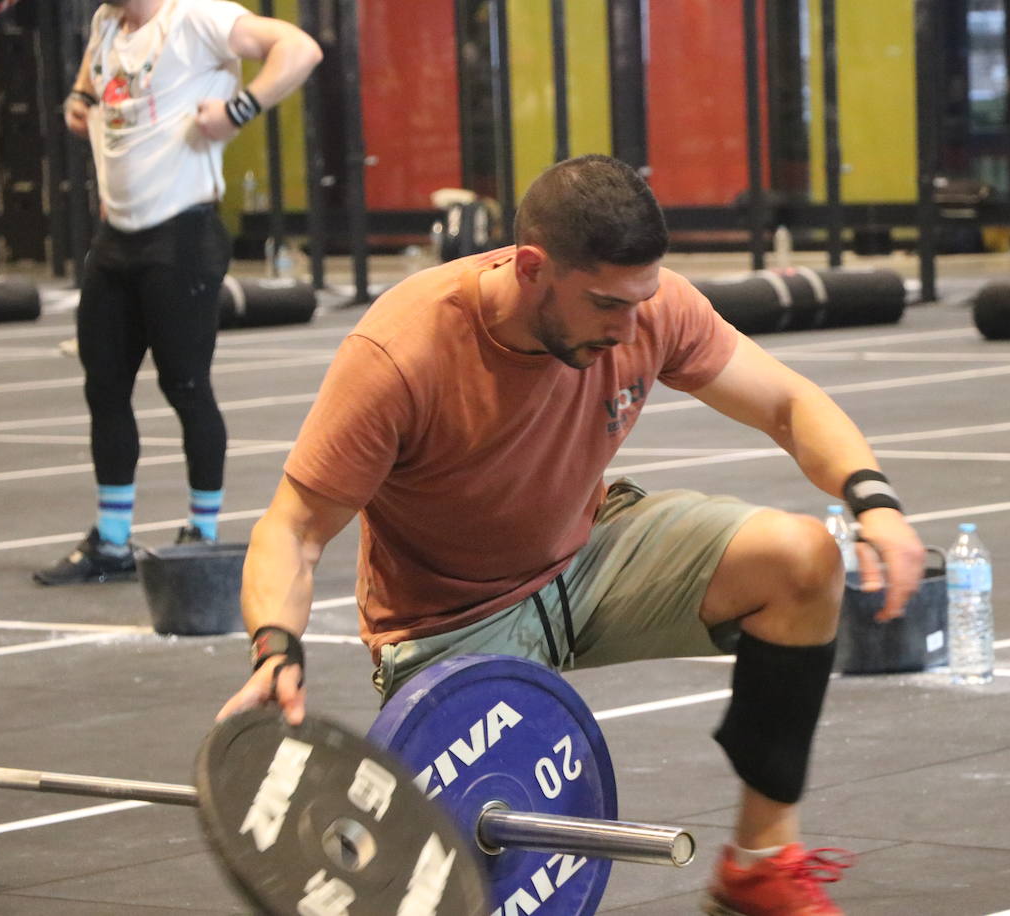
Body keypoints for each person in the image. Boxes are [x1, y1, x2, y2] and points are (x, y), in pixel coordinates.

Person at [216, 155, 925, 915]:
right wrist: (275, 647)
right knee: (447, 889)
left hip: (587, 557)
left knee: (801, 559)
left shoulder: (647, 310)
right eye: (603, 305)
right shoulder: (404, 352)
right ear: (530, 267)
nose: (626, 328)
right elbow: (292, 529)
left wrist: (874, 501)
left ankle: (759, 865)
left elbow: (788, 402)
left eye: (639, 301)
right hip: (449, 622)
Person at [34, 0, 321, 586]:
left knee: (185, 386)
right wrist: (80, 100)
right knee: (104, 386)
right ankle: (113, 543)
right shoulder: (106, 22)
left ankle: (203, 533)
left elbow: (300, 49)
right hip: (116, 241)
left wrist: (239, 108)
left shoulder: (198, 17)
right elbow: (91, 76)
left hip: (182, 236)